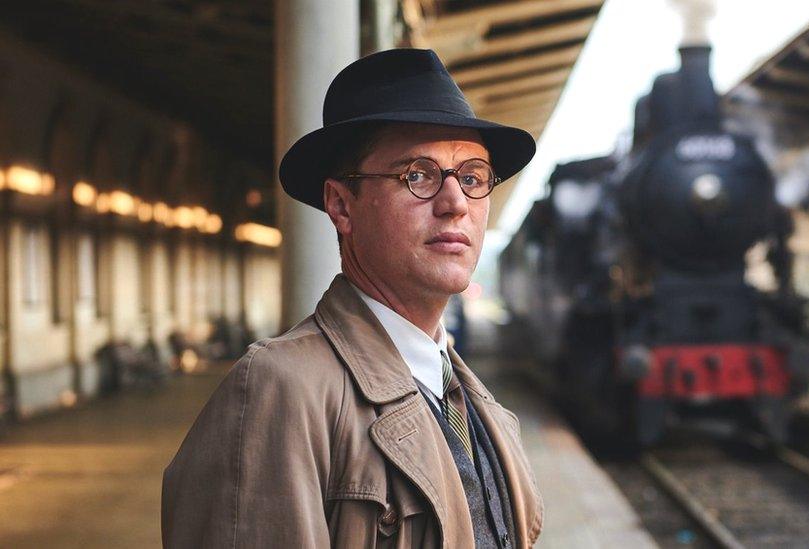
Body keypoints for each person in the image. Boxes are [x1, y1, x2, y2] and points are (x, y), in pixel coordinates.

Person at [161, 48, 543, 548]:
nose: (455, 204)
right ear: (341, 205)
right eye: (418, 175)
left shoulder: (469, 397)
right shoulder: (277, 391)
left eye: (471, 177)